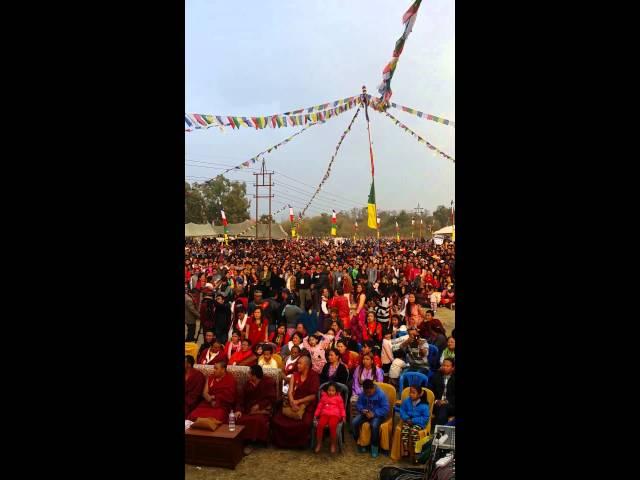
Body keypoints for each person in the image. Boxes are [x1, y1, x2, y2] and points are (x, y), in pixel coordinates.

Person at [271, 355, 320, 448]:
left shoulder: (314, 376)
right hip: (292, 402)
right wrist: (292, 401)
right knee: (277, 420)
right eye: (297, 363)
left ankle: (300, 444)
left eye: (300, 363)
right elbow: (290, 392)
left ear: (307, 365)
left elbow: (313, 396)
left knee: (305, 423)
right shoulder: (295, 375)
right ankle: (282, 443)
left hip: (307, 405)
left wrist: (298, 402)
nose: (297, 365)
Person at [236, 364, 277, 454]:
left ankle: (252, 443)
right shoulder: (247, 384)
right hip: (248, 409)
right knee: (240, 419)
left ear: (255, 375)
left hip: (262, 409)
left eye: (250, 374)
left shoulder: (268, 381)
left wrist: (259, 405)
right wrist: (238, 410)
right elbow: (241, 398)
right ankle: (243, 441)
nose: (248, 375)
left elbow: (271, 398)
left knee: (257, 420)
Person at [351, 379, 389, 458]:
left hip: (378, 415)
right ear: (364, 390)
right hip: (366, 413)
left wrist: (374, 414)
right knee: (354, 422)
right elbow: (359, 404)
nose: (368, 394)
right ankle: (360, 442)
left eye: (369, 392)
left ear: (373, 388)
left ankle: (374, 446)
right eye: (366, 392)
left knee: (374, 425)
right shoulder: (363, 393)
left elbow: (386, 409)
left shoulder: (380, 394)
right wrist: (362, 410)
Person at [313, 382, 347, 454]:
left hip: (335, 415)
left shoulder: (338, 398)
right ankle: (319, 443)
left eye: (333, 390)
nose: (331, 392)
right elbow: (319, 407)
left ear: (336, 391)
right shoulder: (324, 397)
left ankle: (333, 444)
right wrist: (316, 415)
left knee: (332, 426)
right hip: (324, 414)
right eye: (329, 390)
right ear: (326, 390)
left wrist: (343, 416)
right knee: (320, 425)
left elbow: (342, 408)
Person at [397, 385, 431, 457]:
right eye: (410, 392)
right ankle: (406, 450)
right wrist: (406, 418)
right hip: (408, 420)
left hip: (419, 423)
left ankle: (417, 452)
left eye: (413, 392)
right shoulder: (407, 400)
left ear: (419, 394)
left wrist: (413, 420)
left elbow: (425, 418)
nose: (410, 394)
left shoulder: (424, 405)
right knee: (405, 430)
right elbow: (402, 410)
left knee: (414, 431)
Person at [350, 353, 384, 418]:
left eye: (367, 359)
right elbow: (355, 383)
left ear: (372, 361)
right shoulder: (359, 369)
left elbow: (379, 384)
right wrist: (360, 393)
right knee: (353, 401)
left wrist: (370, 393)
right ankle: (355, 421)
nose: (365, 361)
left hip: (373, 393)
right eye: (364, 359)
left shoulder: (377, 370)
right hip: (359, 392)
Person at [429, 358, 455, 426]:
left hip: (451, 404)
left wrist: (446, 401)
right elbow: (431, 391)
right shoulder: (436, 376)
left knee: (443, 409)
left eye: (447, 366)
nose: (444, 367)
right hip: (437, 403)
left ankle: (439, 429)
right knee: (441, 410)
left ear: (452, 368)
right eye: (443, 365)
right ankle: (442, 429)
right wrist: (436, 400)